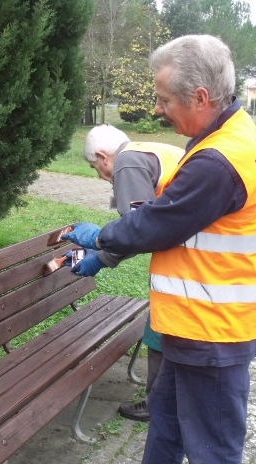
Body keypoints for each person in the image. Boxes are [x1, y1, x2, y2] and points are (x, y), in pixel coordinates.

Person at [62, 34, 256, 464]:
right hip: (194, 327)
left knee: (212, 449)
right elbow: (176, 212)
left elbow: (156, 225)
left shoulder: (220, 160)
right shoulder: (228, 136)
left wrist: (98, 238)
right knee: (165, 425)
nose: (158, 109)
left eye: (164, 99)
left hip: (213, 332)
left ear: (200, 97)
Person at [68, 124, 183, 422]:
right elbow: (136, 224)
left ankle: (159, 405)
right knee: (168, 329)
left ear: (103, 156)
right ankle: (172, 400)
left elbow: (137, 232)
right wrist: (102, 248)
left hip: (184, 259)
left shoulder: (127, 163)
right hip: (188, 246)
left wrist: (99, 257)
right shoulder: (148, 150)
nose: (100, 175)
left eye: (96, 167)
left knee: (162, 327)